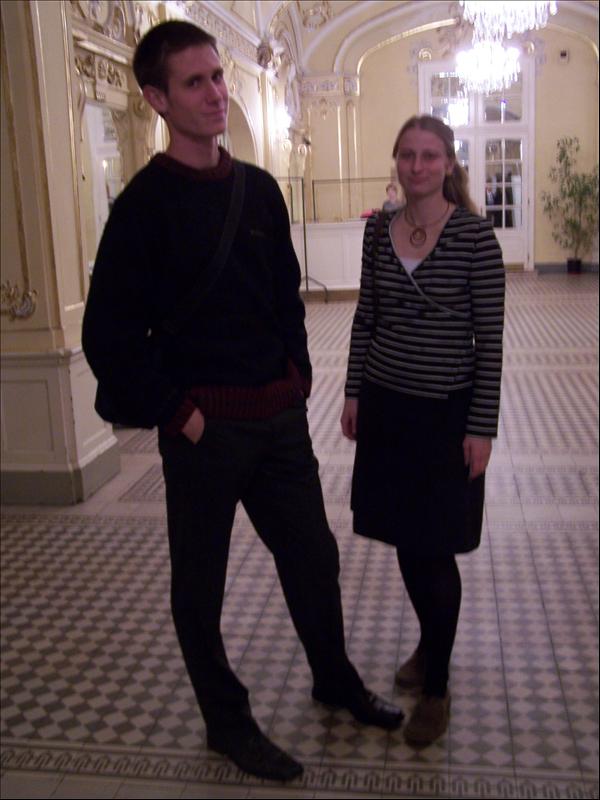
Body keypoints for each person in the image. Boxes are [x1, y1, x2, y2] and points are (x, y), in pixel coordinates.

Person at [82, 20, 403, 784]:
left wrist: (297, 377)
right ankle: (227, 723)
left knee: (314, 559)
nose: (216, 93)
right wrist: (180, 415)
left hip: (277, 420)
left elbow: (284, 296)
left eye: (219, 76)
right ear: (157, 98)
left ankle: (333, 678)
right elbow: (108, 335)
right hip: (203, 433)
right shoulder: (143, 206)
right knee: (200, 587)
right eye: (194, 82)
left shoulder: (258, 189)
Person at [341, 115, 505, 746]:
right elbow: (366, 317)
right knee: (407, 542)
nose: (417, 166)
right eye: (407, 155)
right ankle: (430, 644)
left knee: (434, 548)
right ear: (397, 161)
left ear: (449, 163)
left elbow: (489, 341)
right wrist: (354, 391)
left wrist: (481, 428)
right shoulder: (378, 231)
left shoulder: (474, 237)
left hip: (444, 414)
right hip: (388, 410)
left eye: (429, 156)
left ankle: (436, 686)